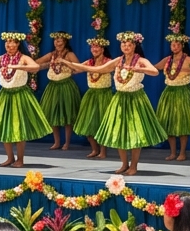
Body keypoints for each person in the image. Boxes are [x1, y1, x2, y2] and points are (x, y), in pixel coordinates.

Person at [69, 32, 166, 176]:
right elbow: (97, 69)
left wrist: (140, 69)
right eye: (123, 44)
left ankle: (134, 165)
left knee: (135, 133)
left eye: (129, 44)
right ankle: (124, 164)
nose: (126, 47)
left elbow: (154, 72)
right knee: (119, 131)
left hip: (135, 100)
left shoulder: (141, 60)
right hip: (120, 99)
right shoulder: (118, 61)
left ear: (134, 46)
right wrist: (67, 63)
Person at [0, 32, 51, 167]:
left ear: (18, 44)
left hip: (20, 95)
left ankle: (20, 159)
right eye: (7, 42)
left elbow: (36, 67)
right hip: (5, 95)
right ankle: (10, 157)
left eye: (12, 42)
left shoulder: (23, 58)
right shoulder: (2, 58)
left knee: (18, 128)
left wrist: (19, 66)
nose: (9, 44)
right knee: (6, 127)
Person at [154, 34, 190, 161]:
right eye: (173, 44)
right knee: (169, 123)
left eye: (178, 44)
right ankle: (172, 152)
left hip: (183, 93)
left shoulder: (188, 60)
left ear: (183, 45)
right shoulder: (167, 60)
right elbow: (155, 69)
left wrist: (188, 68)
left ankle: (182, 152)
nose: (175, 46)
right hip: (169, 93)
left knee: (183, 123)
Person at [36, 32, 82, 150]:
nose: (57, 42)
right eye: (55, 40)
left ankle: (67, 142)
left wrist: (66, 63)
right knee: (52, 114)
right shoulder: (52, 54)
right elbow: (36, 62)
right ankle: (56, 142)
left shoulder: (69, 54)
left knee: (67, 115)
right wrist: (46, 64)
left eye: (60, 40)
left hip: (66, 87)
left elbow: (79, 68)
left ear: (65, 42)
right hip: (53, 87)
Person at [74, 38, 113, 159]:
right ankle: (94, 149)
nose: (94, 49)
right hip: (91, 95)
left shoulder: (109, 62)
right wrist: (65, 63)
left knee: (102, 123)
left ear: (102, 49)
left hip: (104, 95)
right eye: (92, 47)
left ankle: (103, 151)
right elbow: (77, 70)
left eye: (97, 47)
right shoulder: (89, 62)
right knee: (87, 123)